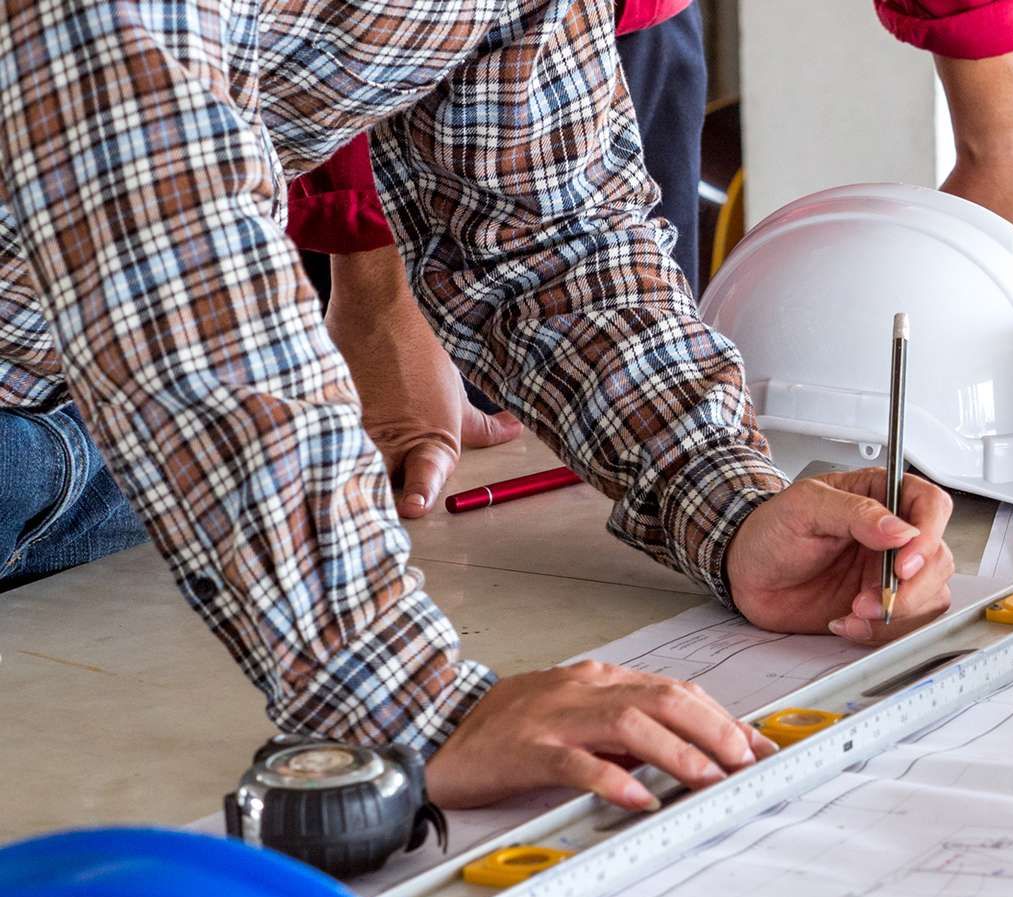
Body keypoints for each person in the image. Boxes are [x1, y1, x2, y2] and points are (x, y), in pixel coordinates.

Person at [0, 0, 958, 811]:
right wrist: (404, 701)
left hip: (100, 443)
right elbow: (161, 247)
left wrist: (726, 501)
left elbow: (547, 235)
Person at [299, 0, 1013, 516]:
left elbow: (569, 278)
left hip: (613, 35)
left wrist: (1000, 152)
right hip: (322, 99)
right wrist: (372, 277)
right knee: (409, 481)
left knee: (602, 433)